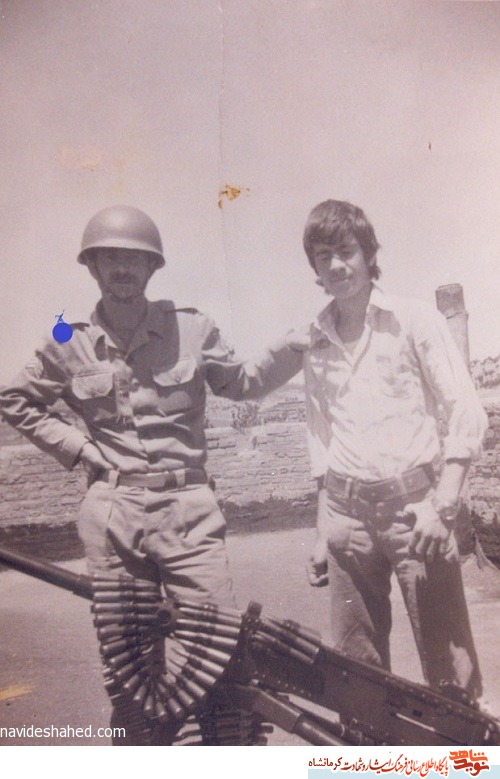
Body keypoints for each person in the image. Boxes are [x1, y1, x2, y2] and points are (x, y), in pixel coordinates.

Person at [0, 204, 302, 743]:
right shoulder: (67, 338)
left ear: (152, 267)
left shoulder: (192, 328)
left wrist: (292, 348)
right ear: (92, 267)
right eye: (110, 258)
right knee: (129, 667)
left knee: (218, 648)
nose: (122, 268)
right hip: (112, 519)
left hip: (188, 513)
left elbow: (242, 382)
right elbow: (15, 398)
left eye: (134, 259)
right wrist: (77, 447)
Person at [302, 199, 487, 703]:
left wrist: (442, 506)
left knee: (450, 673)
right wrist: (323, 531)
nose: (336, 266)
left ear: (368, 253)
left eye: (345, 251)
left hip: (416, 513)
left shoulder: (413, 319)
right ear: (314, 267)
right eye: (323, 256)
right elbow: (321, 440)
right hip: (346, 518)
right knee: (357, 673)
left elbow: (466, 411)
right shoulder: (315, 339)